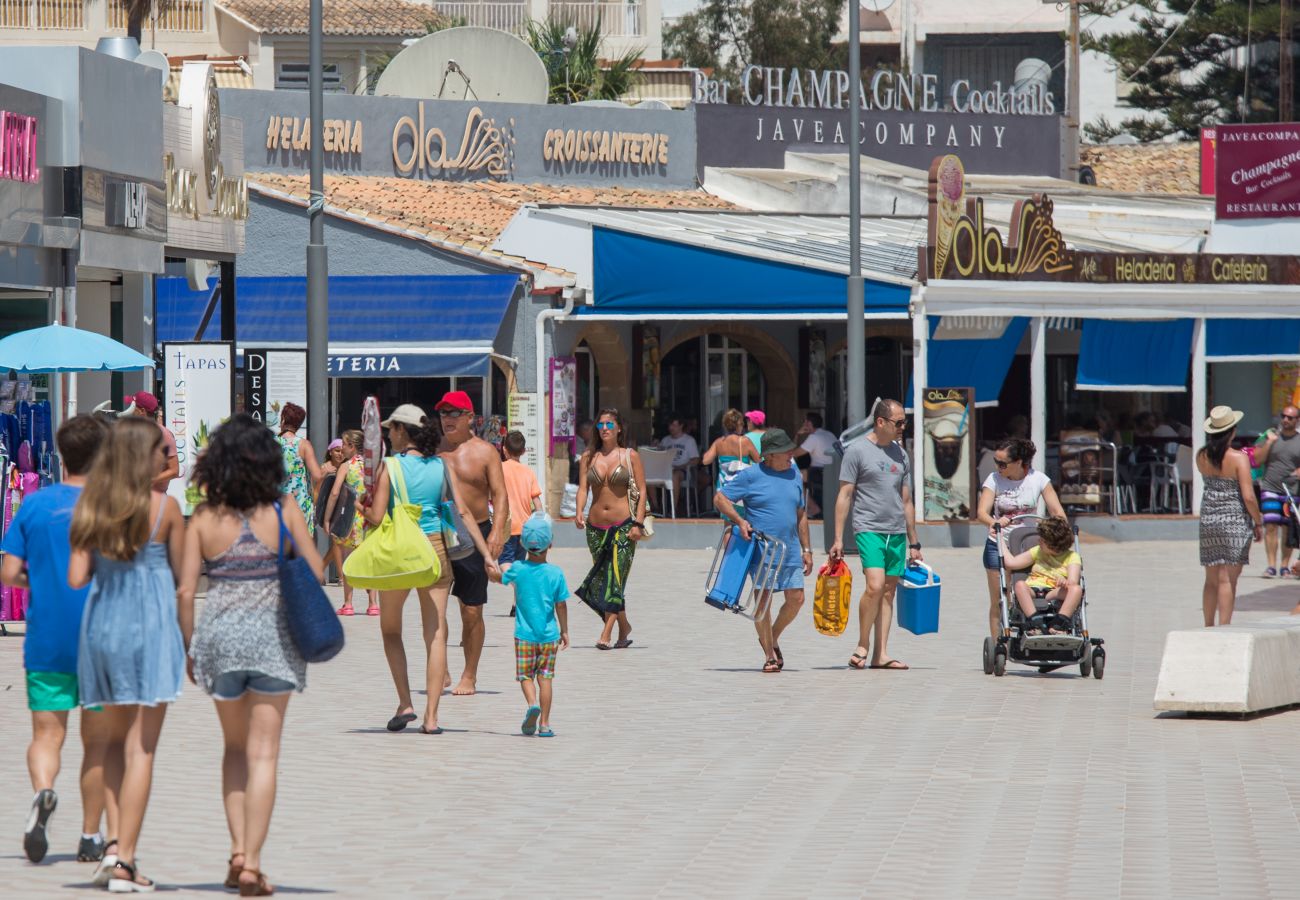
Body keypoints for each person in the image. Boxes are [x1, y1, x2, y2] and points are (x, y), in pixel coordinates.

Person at [177, 415, 325, 897]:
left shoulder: (203, 517)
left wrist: (188, 647)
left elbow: (184, 591)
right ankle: (253, 865)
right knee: (264, 753)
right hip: (272, 641)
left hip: (218, 639)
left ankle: (237, 850)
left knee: (234, 750)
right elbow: (318, 573)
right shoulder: (283, 508)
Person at [68, 417, 186, 893]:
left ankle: (113, 845)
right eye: (161, 450)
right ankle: (126, 863)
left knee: (113, 743)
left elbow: (77, 578)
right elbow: (182, 583)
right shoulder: (167, 509)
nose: (166, 459)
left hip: (103, 627)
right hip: (152, 629)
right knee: (143, 749)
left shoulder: (92, 506)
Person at [0, 415, 116, 867]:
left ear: (62, 455)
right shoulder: (114, 507)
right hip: (102, 639)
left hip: (47, 635)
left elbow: (8, 573)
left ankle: (44, 792)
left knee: (47, 734)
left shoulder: (34, 505)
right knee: (99, 744)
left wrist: (43, 579)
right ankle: (90, 835)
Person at [368, 405, 488, 733]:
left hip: (400, 554)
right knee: (436, 633)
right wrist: (486, 555)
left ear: (403, 431)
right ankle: (432, 718)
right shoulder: (441, 465)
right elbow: (462, 512)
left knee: (391, 630)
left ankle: (406, 702)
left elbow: (377, 518)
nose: (389, 434)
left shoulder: (390, 467)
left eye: (392, 428)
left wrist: (359, 507)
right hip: (434, 551)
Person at [830, 399, 921, 671]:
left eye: (905, 422)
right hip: (868, 527)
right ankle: (862, 644)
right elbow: (845, 495)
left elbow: (906, 500)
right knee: (875, 585)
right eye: (899, 422)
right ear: (880, 422)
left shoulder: (901, 454)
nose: (903, 427)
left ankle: (880, 654)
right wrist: (837, 539)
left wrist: (914, 541)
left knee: (889, 591)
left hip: (895, 531)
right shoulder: (857, 451)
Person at [714, 429, 813, 673]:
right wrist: (739, 520)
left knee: (797, 599)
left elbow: (801, 514)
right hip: (762, 549)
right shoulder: (751, 476)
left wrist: (807, 549)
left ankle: (771, 637)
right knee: (763, 603)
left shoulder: (794, 475)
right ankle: (769, 654)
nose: (791, 454)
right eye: (785, 450)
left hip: (789, 549)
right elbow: (720, 499)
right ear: (769, 455)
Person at [436, 390, 508, 696]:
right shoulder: (434, 450)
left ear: (469, 418)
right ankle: (441, 670)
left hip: (476, 531)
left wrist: (497, 533)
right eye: (443, 414)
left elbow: (501, 494)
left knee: (471, 611)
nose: (448, 419)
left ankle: (470, 675)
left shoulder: (486, 452)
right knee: (434, 610)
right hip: (438, 533)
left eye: (454, 413)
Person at [975, 438, 1067, 640]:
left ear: (1018, 462)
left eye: (1002, 463)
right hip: (998, 543)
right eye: (996, 462)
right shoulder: (994, 479)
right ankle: (999, 644)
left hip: (1028, 545)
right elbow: (982, 512)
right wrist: (995, 522)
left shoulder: (1039, 479)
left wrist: (1063, 534)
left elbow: (1055, 509)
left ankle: (1031, 631)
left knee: (1027, 592)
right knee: (1000, 599)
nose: (998, 467)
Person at [488, 515, 570, 737]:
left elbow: (499, 578)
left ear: (522, 543)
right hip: (549, 635)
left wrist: (490, 567)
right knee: (546, 678)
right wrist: (564, 630)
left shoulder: (517, 568)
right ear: (550, 543)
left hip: (524, 635)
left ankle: (532, 703)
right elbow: (561, 605)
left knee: (525, 676)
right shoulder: (556, 573)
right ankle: (544, 724)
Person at [575, 408, 647, 649]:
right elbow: (583, 488)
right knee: (603, 582)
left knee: (615, 580)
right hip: (595, 528)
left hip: (624, 525)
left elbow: (643, 491)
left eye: (609, 424)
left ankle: (606, 634)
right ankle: (624, 628)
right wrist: (578, 512)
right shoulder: (588, 456)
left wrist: (638, 523)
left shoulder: (630, 455)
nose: (604, 428)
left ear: (619, 429)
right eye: (600, 425)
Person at [1195, 406, 1263, 626]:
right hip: (1234, 521)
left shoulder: (1201, 456)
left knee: (1211, 579)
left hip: (1209, 520)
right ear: (1231, 431)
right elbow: (1248, 496)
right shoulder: (1238, 458)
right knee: (1228, 579)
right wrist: (1258, 521)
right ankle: (1224, 626)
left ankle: (1207, 624)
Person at [998, 516, 1083, 634]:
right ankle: (1035, 622)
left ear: (1053, 546)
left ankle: (1058, 625)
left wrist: (1065, 582)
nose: (1039, 541)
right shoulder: (1038, 551)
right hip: (1033, 589)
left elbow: (1073, 581)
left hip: (1054, 591)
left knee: (1076, 589)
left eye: (1042, 541)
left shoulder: (1072, 557)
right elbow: (1011, 563)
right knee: (1019, 585)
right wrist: (1000, 539)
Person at [324, 430, 377, 617]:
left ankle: (348, 604)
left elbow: (335, 493)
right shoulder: (373, 466)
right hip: (369, 519)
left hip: (350, 519)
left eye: (344, 445)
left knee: (347, 560)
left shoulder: (347, 466)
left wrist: (327, 518)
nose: (342, 448)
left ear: (352, 447)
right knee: (369, 561)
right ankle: (373, 604)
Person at [500, 430, 543, 617]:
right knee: (518, 563)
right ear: (524, 451)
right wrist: (543, 527)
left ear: (503, 450)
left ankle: (522, 583)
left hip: (506, 525)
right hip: (526, 528)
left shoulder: (499, 469)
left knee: (504, 562)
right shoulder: (529, 472)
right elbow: (538, 504)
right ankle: (517, 605)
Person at [1255, 405, 1300, 577]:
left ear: (1297, 420)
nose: (1286, 420)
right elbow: (1257, 460)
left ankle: (1284, 566)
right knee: (1271, 524)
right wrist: (1269, 442)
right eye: (1284, 416)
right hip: (1270, 487)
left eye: (1290, 417)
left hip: (1291, 490)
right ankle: (1271, 566)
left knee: (1287, 528)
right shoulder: (1270, 437)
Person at [276, 402, 322, 536]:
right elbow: (317, 476)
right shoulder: (303, 445)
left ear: (283, 419)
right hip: (300, 503)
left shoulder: (271, 443)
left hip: (278, 503)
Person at [122, 391, 179, 492]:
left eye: (133, 408)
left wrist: (148, 481)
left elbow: (174, 471)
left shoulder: (164, 434)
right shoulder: (135, 431)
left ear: (142, 411)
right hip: (135, 496)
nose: (130, 411)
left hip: (154, 497)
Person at [702, 408, 757, 494]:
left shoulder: (719, 442)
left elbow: (706, 461)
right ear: (738, 425)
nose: (742, 427)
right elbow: (758, 460)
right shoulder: (745, 441)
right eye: (742, 424)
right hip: (741, 488)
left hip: (724, 488)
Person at [794, 412, 836, 517]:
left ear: (808, 423)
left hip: (819, 472)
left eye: (805, 422)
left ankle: (813, 508)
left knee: (793, 478)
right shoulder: (829, 434)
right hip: (834, 471)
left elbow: (794, 453)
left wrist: (797, 435)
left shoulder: (814, 437)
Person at [659, 416, 701, 513]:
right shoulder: (665, 440)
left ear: (681, 426)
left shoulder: (689, 440)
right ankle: (656, 506)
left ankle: (673, 508)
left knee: (675, 475)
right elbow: (660, 455)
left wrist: (681, 466)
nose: (671, 428)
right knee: (648, 474)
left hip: (683, 470)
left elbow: (695, 460)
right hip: (666, 470)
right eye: (670, 425)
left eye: (674, 425)